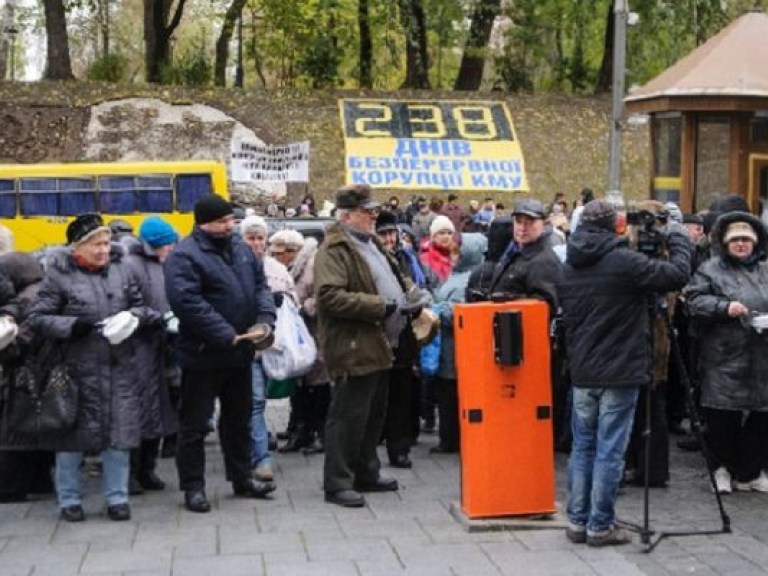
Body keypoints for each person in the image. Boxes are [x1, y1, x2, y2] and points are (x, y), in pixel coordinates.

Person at [558, 199, 691, 547]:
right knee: (609, 450)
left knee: (583, 448)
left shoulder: (571, 263)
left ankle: (577, 521)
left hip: (584, 370)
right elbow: (676, 275)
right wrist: (675, 236)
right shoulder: (623, 262)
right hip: (620, 370)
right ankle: (600, 525)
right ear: (614, 226)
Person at [28, 213, 162, 522]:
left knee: (118, 438)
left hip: (119, 368)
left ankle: (117, 498)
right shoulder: (58, 275)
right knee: (70, 442)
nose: (103, 250)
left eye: (105, 243)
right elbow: (37, 318)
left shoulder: (121, 271)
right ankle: (69, 500)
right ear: (77, 247)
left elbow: (141, 307)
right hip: (75, 372)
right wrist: (73, 326)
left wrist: (135, 318)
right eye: (95, 245)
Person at [164, 195, 277, 514]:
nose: (229, 226)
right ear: (204, 223)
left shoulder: (241, 249)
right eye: (222, 222)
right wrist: (224, 333)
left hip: (241, 352)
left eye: (231, 221)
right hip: (203, 355)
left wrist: (265, 320)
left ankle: (242, 478)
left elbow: (260, 287)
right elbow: (186, 302)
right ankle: (193, 487)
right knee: (195, 424)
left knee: (238, 419)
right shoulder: (185, 255)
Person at [315, 184, 415, 508]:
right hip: (354, 344)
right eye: (366, 211)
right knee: (347, 417)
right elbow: (330, 297)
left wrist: (410, 295)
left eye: (373, 210)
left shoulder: (369, 243)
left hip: (380, 344)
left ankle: (366, 471)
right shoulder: (335, 249)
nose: (374, 215)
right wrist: (382, 305)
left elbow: (395, 278)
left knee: (372, 416)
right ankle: (338, 481)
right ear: (347, 216)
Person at [684, 212, 768, 494]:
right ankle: (721, 469)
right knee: (722, 418)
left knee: (761, 416)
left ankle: (750, 472)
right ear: (725, 242)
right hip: (724, 355)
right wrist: (723, 307)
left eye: (746, 240)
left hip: (761, 357)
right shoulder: (710, 269)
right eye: (736, 240)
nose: (741, 244)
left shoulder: (765, 270)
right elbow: (694, 301)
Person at [124, 216, 180, 494]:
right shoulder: (131, 266)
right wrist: (157, 318)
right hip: (139, 347)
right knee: (140, 411)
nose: (169, 249)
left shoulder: (164, 263)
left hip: (162, 346)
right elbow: (131, 305)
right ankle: (133, 472)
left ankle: (148, 468)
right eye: (166, 244)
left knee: (160, 409)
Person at [240, 215, 296, 482]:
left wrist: (282, 302)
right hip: (247, 345)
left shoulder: (275, 268)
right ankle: (260, 457)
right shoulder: (232, 266)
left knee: (257, 401)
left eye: (260, 237)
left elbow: (293, 298)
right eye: (251, 238)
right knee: (255, 403)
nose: (257, 243)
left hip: (273, 345)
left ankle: (253, 450)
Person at [431, 233, 487, 454]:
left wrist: (435, 307)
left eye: (456, 252)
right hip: (448, 348)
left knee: (451, 397)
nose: (452, 256)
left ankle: (450, 440)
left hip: (456, 349)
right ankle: (449, 439)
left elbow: (459, 314)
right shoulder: (460, 275)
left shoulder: (469, 279)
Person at [375, 210, 423, 468]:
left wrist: (416, 302)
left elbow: (414, 286)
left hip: (403, 334)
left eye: (391, 233)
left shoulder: (405, 258)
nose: (389, 238)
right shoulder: (369, 258)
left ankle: (399, 447)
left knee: (401, 395)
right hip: (377, 333)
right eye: (383, 233)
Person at [481, 199, 561, 316]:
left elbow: (544, 308)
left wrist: (511, 303)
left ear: (543, 224)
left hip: (519, 330)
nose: (522, 228)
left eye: (530, 222)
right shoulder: (513, 251)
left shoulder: (543, 260)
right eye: (518, 221)